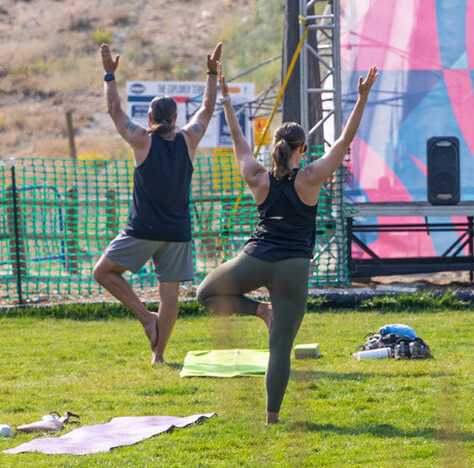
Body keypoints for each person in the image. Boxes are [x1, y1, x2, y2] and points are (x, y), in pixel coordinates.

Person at [200, 66, 378, 424]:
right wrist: (361, 97)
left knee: (206, 294)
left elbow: (239, 141)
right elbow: (345, 138)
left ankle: (258, 311)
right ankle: (272, 419)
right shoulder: (312, 177)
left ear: (276, 146)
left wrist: (225, 100)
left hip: (256, 257)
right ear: (304, 149)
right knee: (279, 347)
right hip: (294, 269)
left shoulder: (257, 177)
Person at [93, 41, 222, 365]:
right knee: (170, 295)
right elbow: (206, 110)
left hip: (143, 229)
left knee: (103, 272)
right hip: (178, 231)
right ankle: (159, 355)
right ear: (176, 118)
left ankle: (145, 317)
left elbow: (114, 112)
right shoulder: (188, 139)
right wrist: (210, 73)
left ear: (150, 116)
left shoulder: (141, 140)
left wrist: (110, 76)